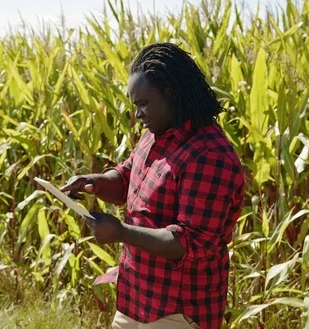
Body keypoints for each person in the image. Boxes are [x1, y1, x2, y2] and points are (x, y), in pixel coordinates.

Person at [60, 42, 245, 329]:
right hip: (135, 297)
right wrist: (94, 183)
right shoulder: (155, 134)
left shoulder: (209, 155)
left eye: (143, 104)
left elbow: (188, 242)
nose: (138, 115)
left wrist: (120, 232)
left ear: (171, 93)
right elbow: (125, 178)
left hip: (178, 311)